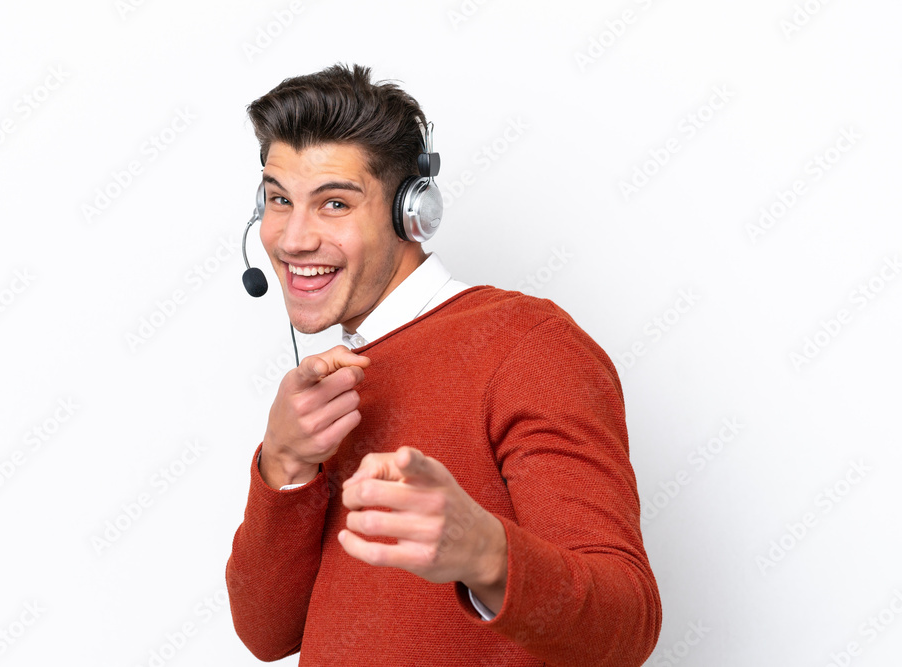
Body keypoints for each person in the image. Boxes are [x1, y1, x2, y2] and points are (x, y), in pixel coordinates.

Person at [226, 62, 661, 666]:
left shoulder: (525, 344)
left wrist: (486, 553)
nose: (293, 238)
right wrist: (284, 465)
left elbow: (627, 626)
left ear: (411, 213)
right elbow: (266, 634)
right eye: (279, 200)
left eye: (333, 204)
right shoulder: (326, 382)